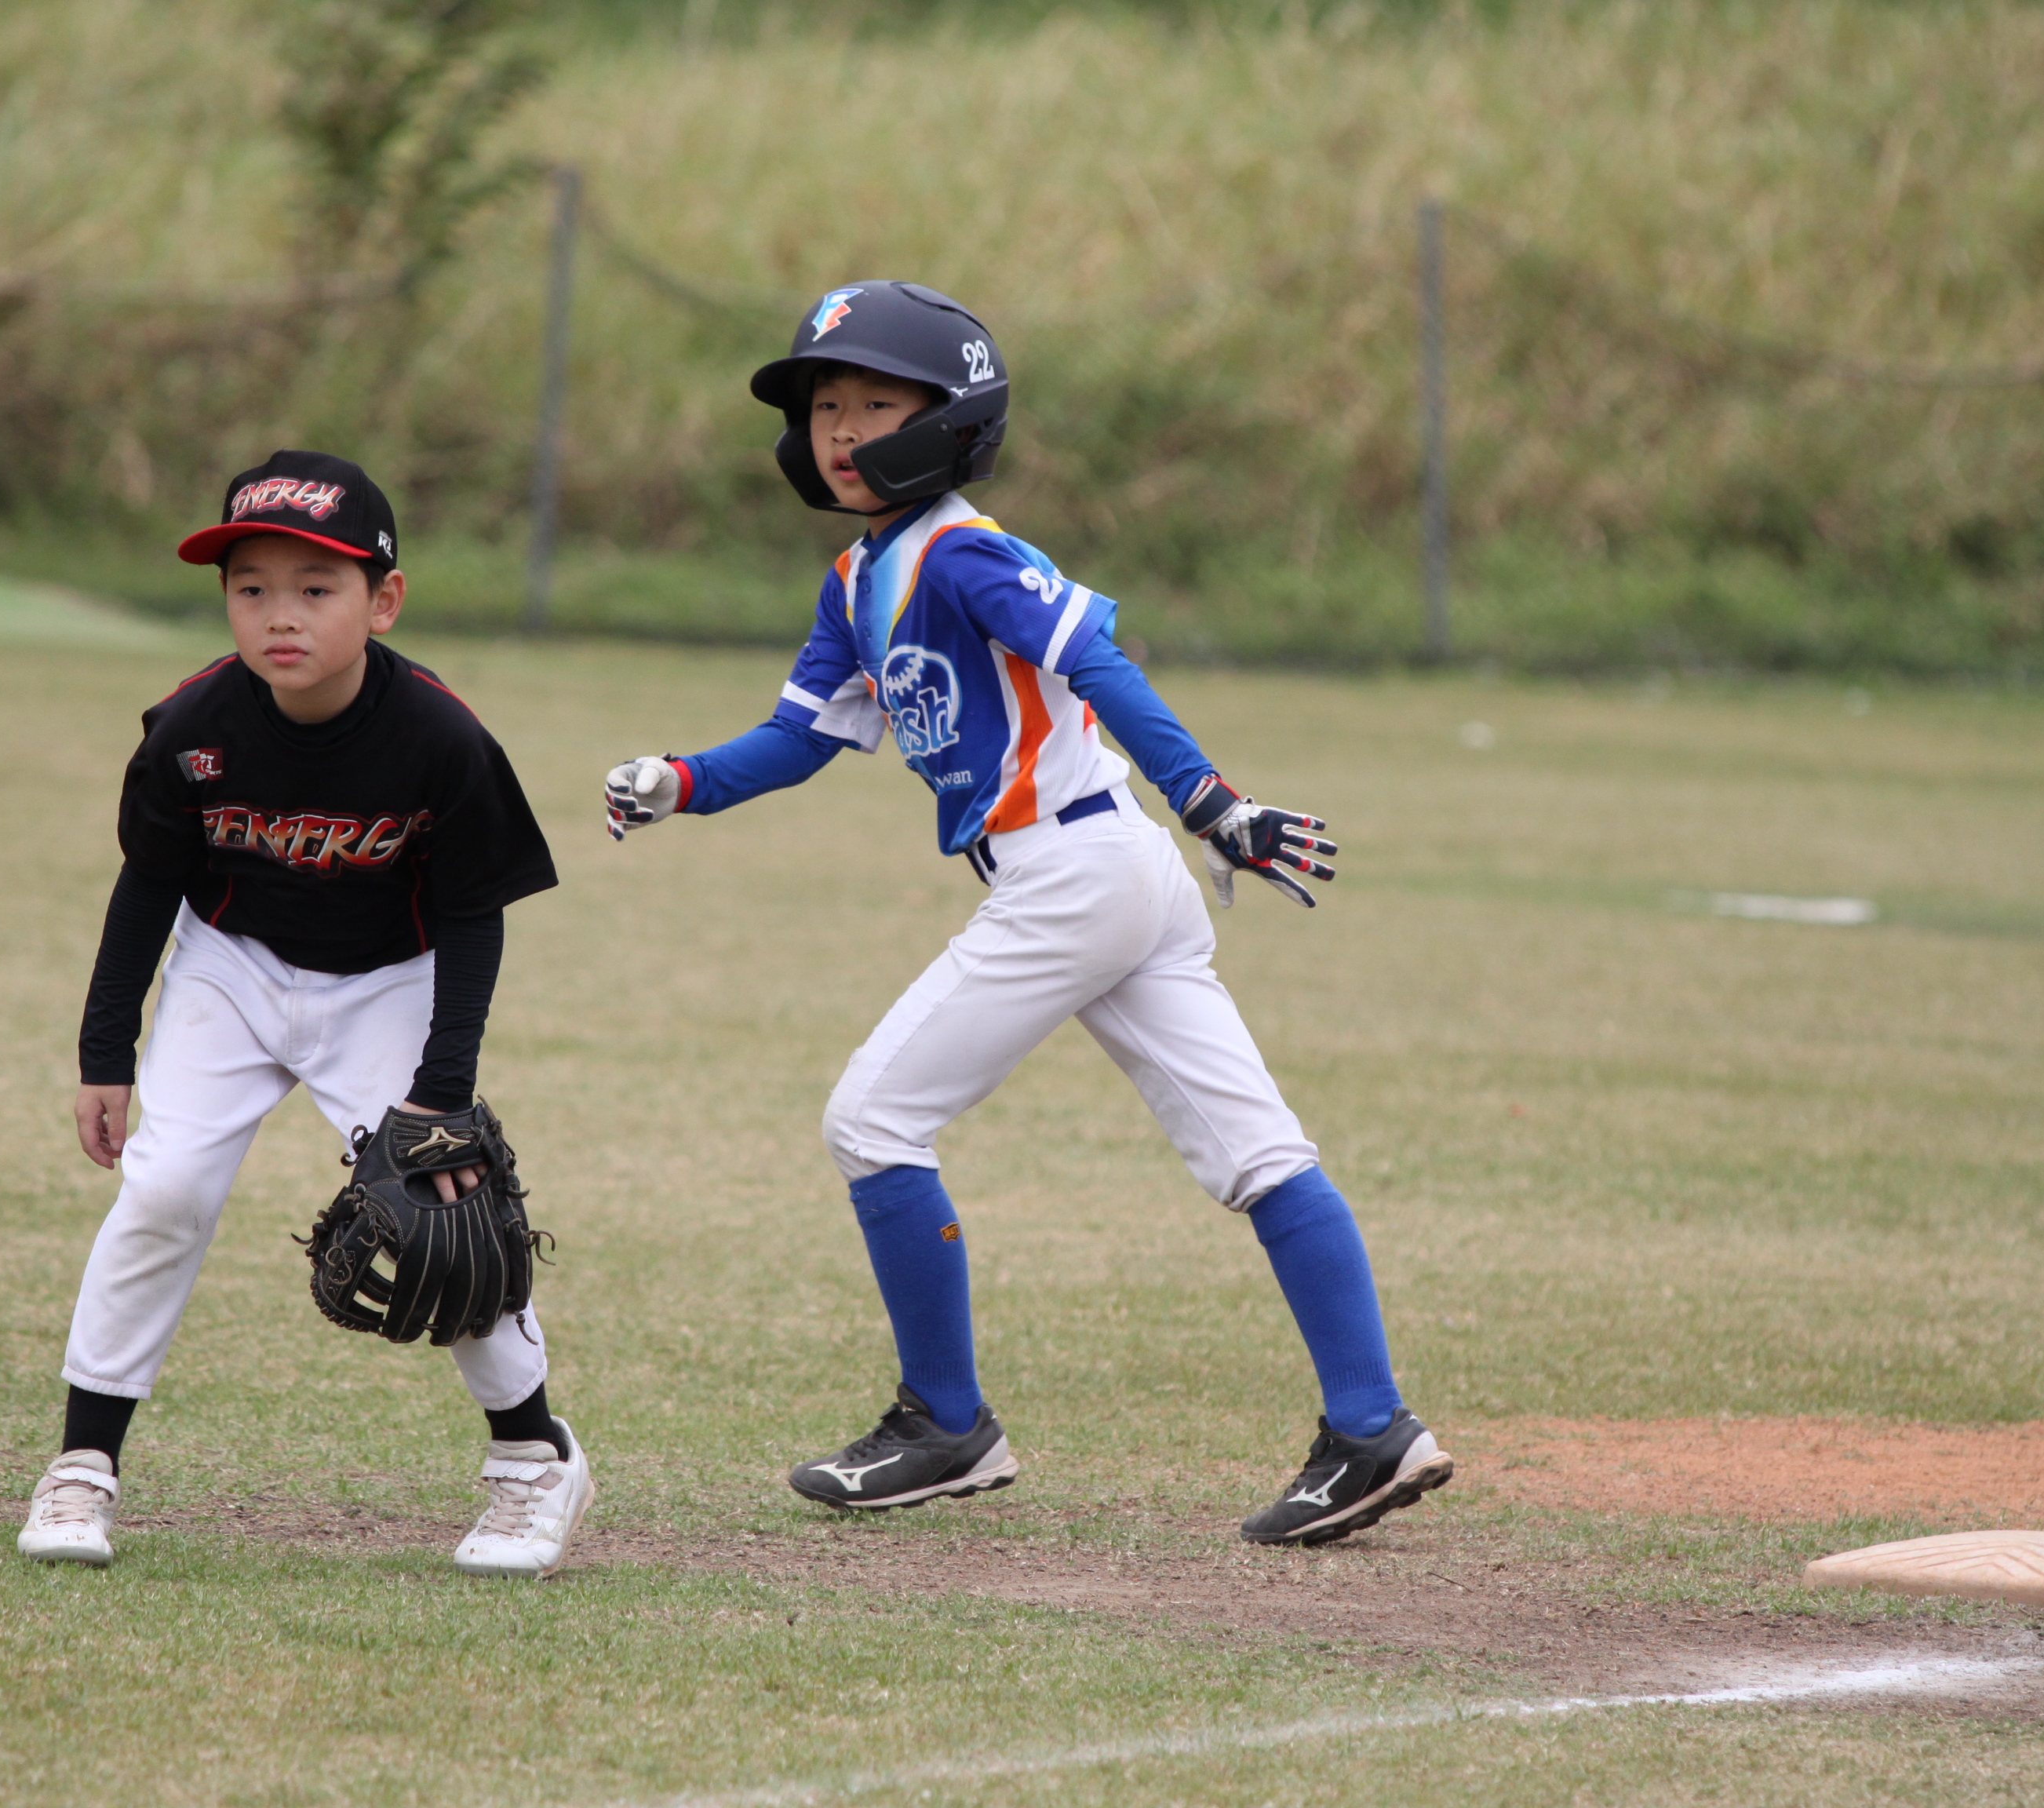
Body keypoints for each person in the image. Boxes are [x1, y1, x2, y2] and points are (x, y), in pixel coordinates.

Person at [601, 283, 1450, 1545]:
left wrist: (1215, 803)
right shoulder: (860, 577)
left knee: (872, 1121)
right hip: (1106, 874)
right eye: (825, 408)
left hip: (1077, 874)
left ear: (951, 421)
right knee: (1257, 1153)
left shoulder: (963, 551)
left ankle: (947, 1425)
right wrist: (681, 782)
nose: (842, 431)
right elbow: (801, 738)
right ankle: (1373, 1426)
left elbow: (1095, 662)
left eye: (875, 404)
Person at [19, 450, 591, 1576]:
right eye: (252, 588)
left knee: (446, 1208)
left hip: (391, 979)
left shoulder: (440, 739)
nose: (281, 615)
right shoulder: (192, 726)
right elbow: (146, 888)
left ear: (384, 600)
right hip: (230, 970)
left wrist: (442, 1090)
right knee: (165, 1191)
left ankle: (535, 1460)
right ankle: (83, 1464)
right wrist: (105, 1052)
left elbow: (473, 919)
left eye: (317, 588)